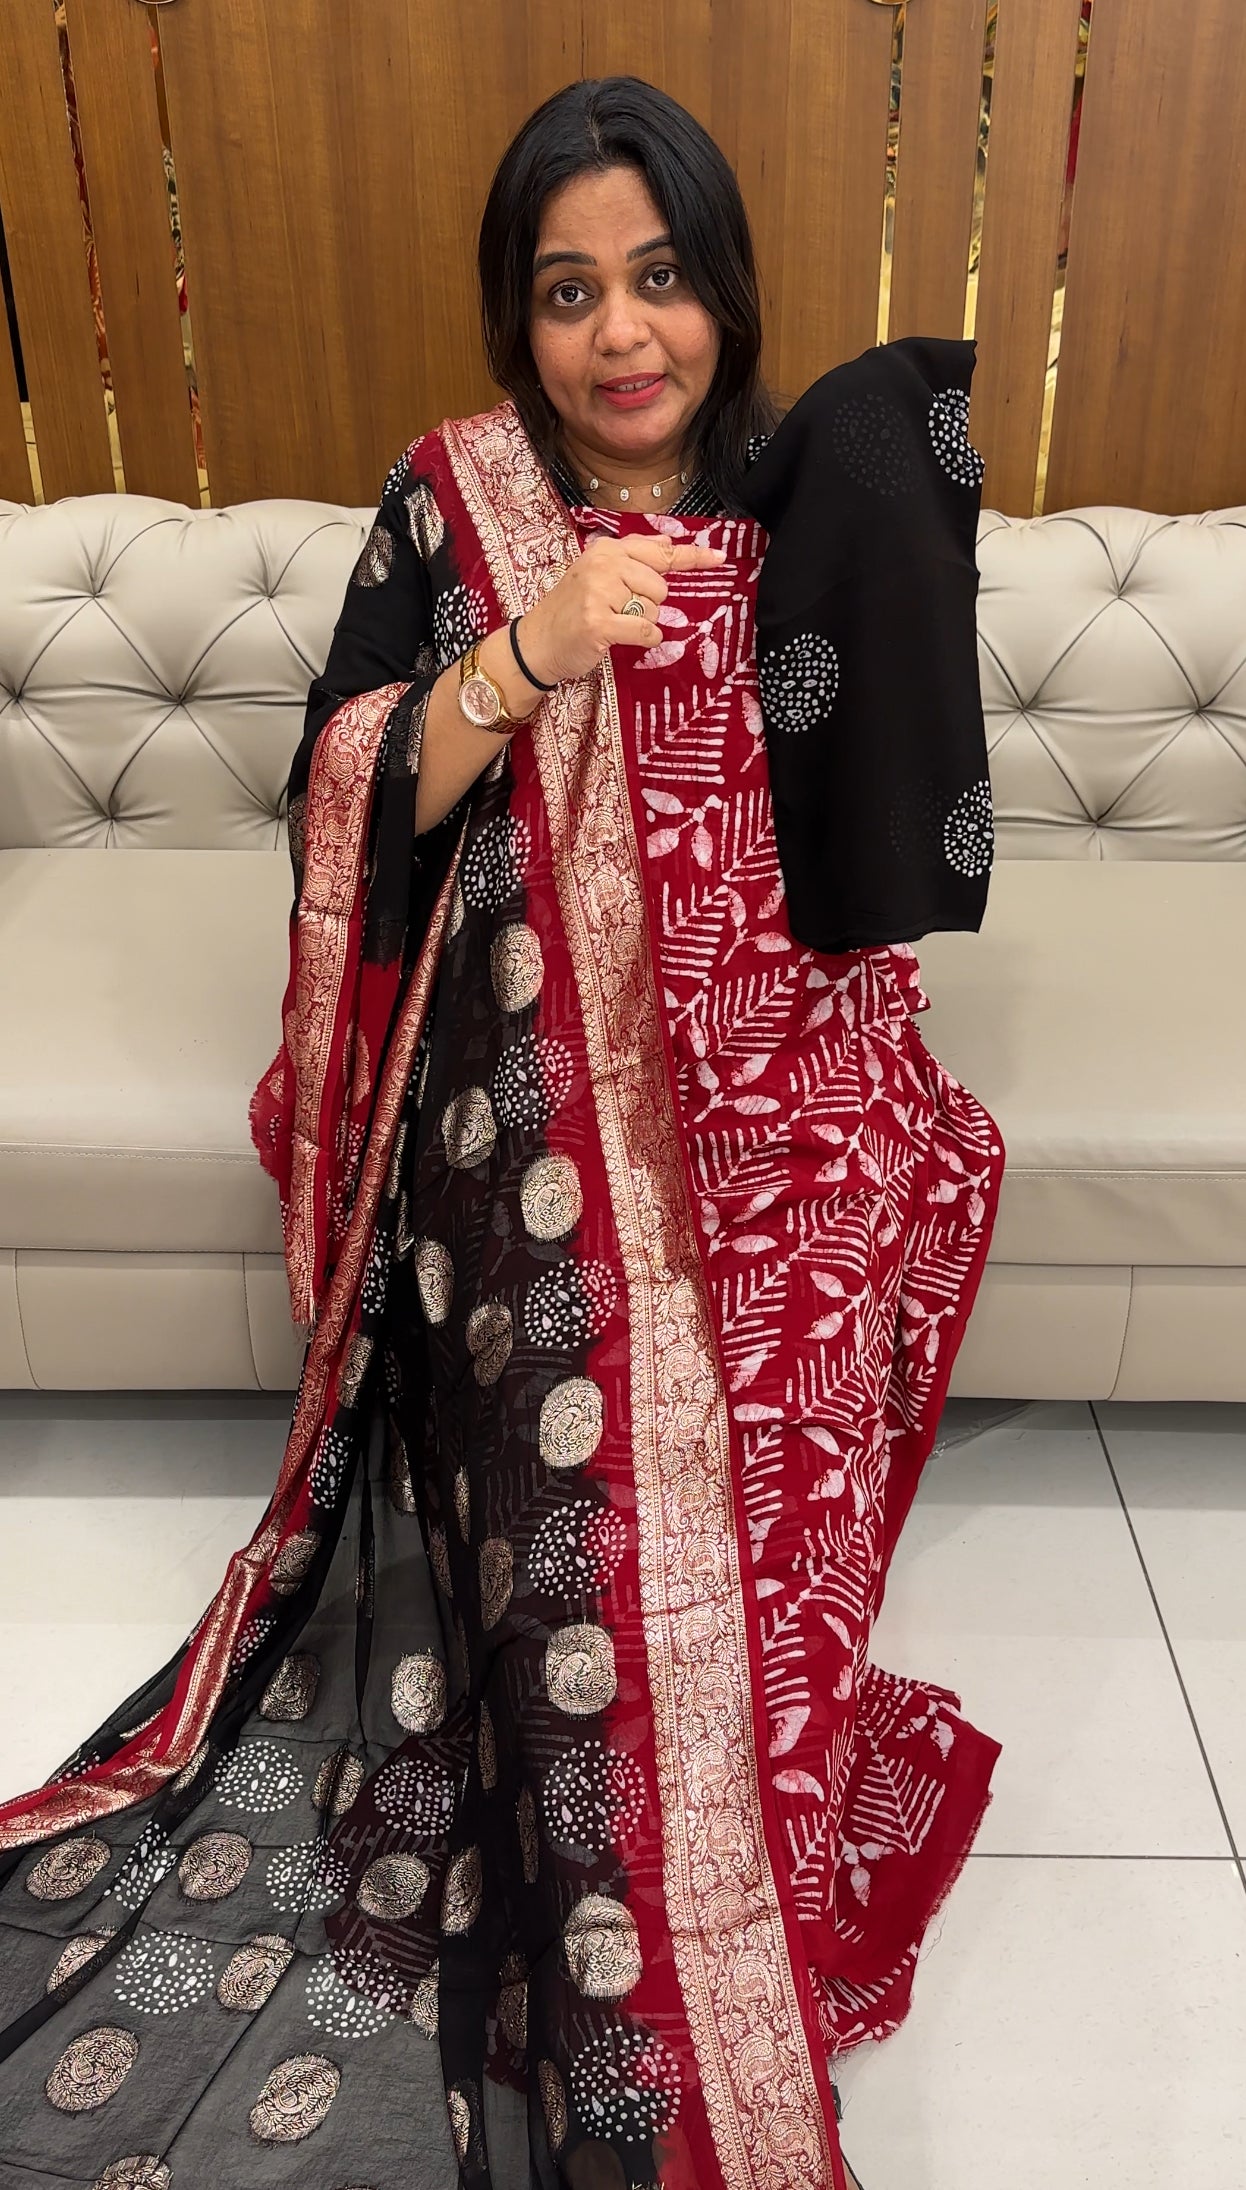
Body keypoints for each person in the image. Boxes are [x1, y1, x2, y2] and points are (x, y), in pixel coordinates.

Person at [0, 76, 1004, 2190]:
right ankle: (619, 1830)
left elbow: (874, 824)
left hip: (763, 1070)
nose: (621, 333)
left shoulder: (798, 495)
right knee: (580, 1456)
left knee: (858, 1250)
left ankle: (741, 1755)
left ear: (723, 291)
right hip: (510, 1081)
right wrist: (525, 656)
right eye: (568, 291)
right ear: (516, 316)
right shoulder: (448, 503)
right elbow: (340, 791)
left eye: (660, 278)